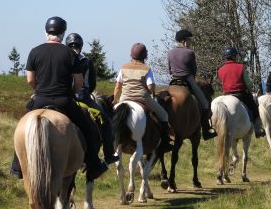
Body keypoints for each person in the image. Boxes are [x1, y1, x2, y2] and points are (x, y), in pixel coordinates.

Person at [10, 16, 108, 180]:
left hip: (40, 99)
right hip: (64, 101)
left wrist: (40, 90)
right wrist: (71, 90)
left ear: (46, 31)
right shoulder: (70, 53)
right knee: (89, 127)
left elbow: (30, 79)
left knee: (22, 125)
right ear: (63, 33)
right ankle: (94, 164)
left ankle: (17, 167)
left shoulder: (34, 51)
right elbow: (78, 83)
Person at [65, 33, 119, 164]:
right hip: (83, 98)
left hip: (66, 97)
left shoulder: (63, 58)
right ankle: (109, 154)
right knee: (105, 121)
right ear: (81, 46)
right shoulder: (87, 61)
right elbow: (92, 84)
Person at [113, 43, 172, 154]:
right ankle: (165, 142)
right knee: (164, 115)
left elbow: (118, 86)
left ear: (131, 55)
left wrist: (115, 100)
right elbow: (150, 87)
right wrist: (152, 91)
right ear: (144, 56)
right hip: (142, 98)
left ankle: (107, 142)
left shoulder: (123, 67)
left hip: (124, 98)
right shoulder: (146, 68)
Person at [167, 29, 217, 140]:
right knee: (204, 104)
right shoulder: (190, 52)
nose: (191, 42)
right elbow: (193, 70)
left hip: (173, 80)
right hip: (188, 79)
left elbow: (170, 69)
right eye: (190, 40)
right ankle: (206, 130)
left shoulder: (170, 52)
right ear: (184, 40)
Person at [216, 47, 265, 137]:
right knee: (254, 107)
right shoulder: (241, 67)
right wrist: (250, 91)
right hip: (240, 94)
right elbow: (248, 83)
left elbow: (221, 82)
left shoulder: (220, 70)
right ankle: (258, 129)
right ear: (234, 56)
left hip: (226, 94)